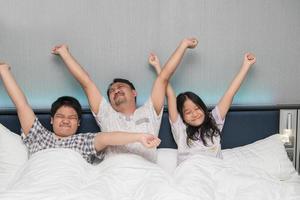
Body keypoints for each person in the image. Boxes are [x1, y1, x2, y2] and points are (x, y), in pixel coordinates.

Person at [51, 37, 198, 162]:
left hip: (146, 173)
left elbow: (164, 77)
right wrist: (64, 53)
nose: (116, 91)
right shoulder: (106, 113)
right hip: (114, 172)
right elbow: (86, 83)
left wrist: (183, 45)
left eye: (120, 87)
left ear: (134, 92)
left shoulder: (150, 111)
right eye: (112, 91)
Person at [0, 62, 161, 164]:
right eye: (60, 116)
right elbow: (21, 105)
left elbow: (108, 137)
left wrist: (139, 137)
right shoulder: (39, 135)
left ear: (78, 123)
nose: (65, 121)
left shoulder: (83, 141)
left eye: (71, 118)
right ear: (51, 120)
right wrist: (4, 71)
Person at [149, 50, 256, 164]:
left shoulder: (214, 121)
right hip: (191, 172)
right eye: (188, 112)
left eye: (197, 109)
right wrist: (157, 67)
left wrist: (246, 65)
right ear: (182, 116)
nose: (194, 114)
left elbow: (230, 93)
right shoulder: (180, 128)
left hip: (215, 171)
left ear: (203, 108)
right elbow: (170, 94)